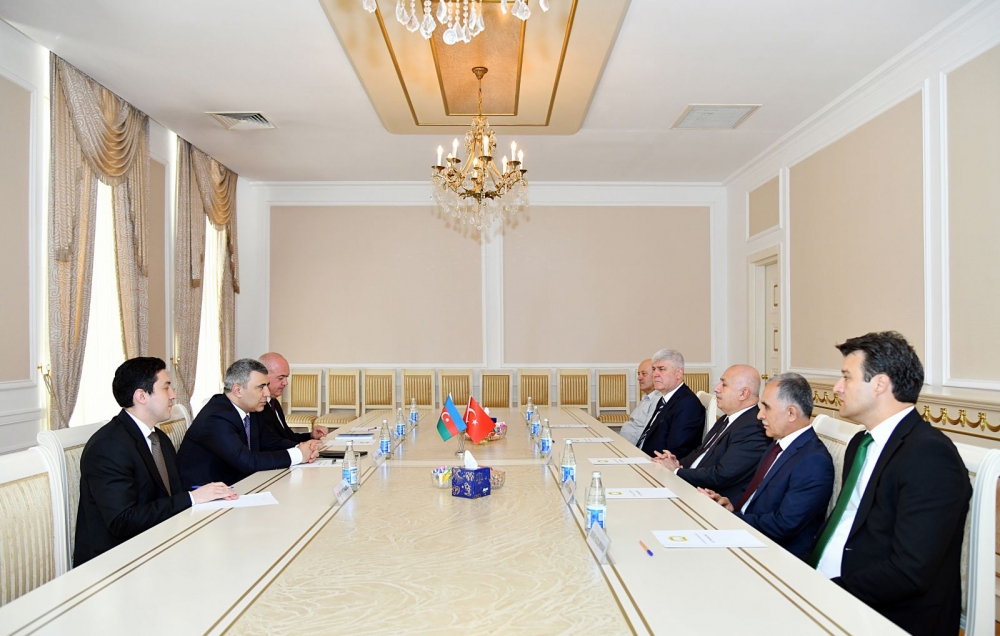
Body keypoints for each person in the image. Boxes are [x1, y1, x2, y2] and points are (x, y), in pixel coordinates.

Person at [811, 331, 971, 636]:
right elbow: (847, 524)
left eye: (846, 377)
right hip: (830, 590)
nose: (836, 387)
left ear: (880, 384)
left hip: (884, 615)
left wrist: (828, 591)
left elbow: (910, 571)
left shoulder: (930, 456)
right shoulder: (861, 442)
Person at [74, 357, 237, 566]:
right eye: (166, 387)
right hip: (117, 561)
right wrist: (192, 498)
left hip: (159, 541)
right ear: (141, 396)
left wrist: (207, 494)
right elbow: (123, 521)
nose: (173, 395)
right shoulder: (108, 447)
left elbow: (173, 494)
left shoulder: (159, 439)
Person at [700, 373, 833, 560]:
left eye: (766, 407)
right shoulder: (777, 445)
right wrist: (730, 505)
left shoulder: (813, 461)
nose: (759, 415)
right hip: (749, 534)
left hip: (775, 555)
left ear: (791, 413)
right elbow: (755, 494)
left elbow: (784, 525)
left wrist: (730, 518)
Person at [178, 358, 321, 490]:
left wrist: (305, 448)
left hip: (237, 485)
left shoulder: (251, 410)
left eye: (267, 386)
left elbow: (272, 443)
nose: (267, 393)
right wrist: (298, 454)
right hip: (205, 493)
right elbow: (248, 462)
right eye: (261, 387)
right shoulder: (216, 417)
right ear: (238, 390)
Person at [653, 365, 769, 502]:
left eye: (724, 384)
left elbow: (722, 476)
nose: (716, 388)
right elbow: (701, 452)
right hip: (693, 484)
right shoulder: (727, 418)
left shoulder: (753, 428)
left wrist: (677, 471)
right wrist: (677, 463)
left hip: (712, 498)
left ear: (743, 394)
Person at [635, 349, 705, 459]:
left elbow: (676, 452)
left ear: (678, 373)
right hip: (643, 457)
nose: (655, 374)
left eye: (661, 369)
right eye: (653, 369)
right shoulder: (665, 398)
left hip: (658, 465)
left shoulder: (688, 404)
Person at [255, 352, 328, 446]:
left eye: (286, 377)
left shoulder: (274, 402)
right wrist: (302, 448)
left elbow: (287, 437)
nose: (285, 383)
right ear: (263, 377)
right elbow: (272, 444)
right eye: (281, 378)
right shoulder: (257, 407)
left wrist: (311, 436)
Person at [619, 359, 661, 445]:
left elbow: (646, 434)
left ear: (655, 376)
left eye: (644, 374)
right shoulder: (646, 397)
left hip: (631, 448)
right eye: (638, 374)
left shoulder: (658, 400)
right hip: (623, 443)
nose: (639, 378)